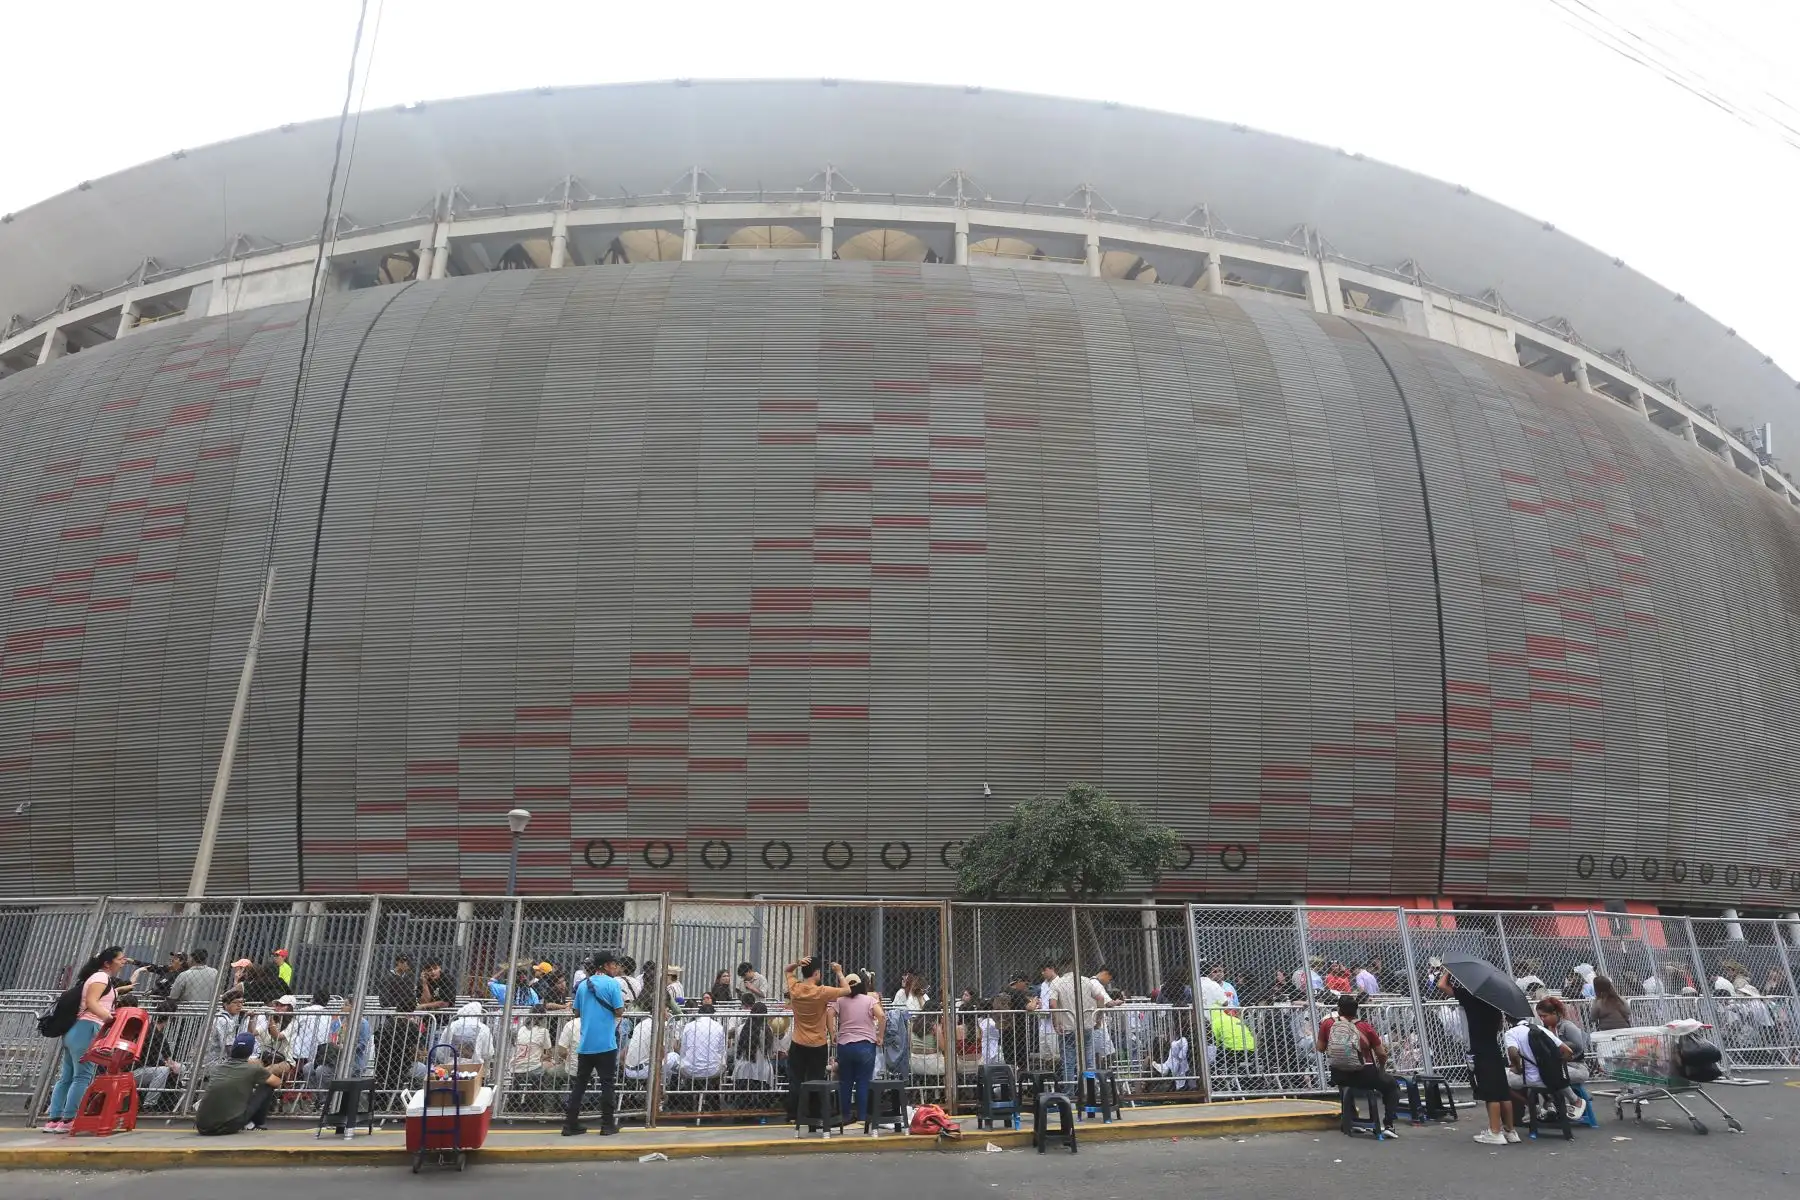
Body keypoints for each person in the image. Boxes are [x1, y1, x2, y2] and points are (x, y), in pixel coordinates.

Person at [42, 947, 128, 1134]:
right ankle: (69, 1119)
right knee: (82, 1076)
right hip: (87, 1028)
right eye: (121, 959)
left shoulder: (97, 978)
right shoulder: (101, 978)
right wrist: (109, 1017)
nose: (124, 961)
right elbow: (92, 1002)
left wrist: (119, 991)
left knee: (67, 1076)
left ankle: (55, 1119)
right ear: (107, 963)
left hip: (75, 1030)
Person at [1437, 966, 1515, 1145]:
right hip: (1493, 1048)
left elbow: (1442, 985)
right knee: (1503, 1091)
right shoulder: (1496, 1003)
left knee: (1490, 1093)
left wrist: (1449, 970)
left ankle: (1495, 1131)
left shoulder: (1471, 997)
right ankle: (1510, 1130)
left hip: (1479, 1048)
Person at [1317, 993, 1403, 1138]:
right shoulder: (1364, 1026)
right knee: (1391, 1085)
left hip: (1339, 1074)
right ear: (1357, 1010)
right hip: (1365, 1074)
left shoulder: (1328, 1024)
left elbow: (1320, 1048)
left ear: (1339, 1009)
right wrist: (1381, 1069)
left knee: (1345, 1088)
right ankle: (1389, 1124)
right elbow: (1381, 1054)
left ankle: (1352, 1120)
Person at [564, 948, 626, 1136]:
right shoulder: (612, 984)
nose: (615, 968)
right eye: (614, 964)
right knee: (607, 1083)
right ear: (606, 966)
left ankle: (570, 1124)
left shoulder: (583, 985)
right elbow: (619, 1010)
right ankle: (607, 1125)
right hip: (606, 1043)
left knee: (580, 1085)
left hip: (586, 1044)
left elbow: (576, 1012)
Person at [784, 957, 850, 1119]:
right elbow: (847, 990)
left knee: (796, 1079)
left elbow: (787, 970)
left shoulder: (794, 988)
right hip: (818, 1044)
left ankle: (793, 1114)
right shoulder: (822, 992)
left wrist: (798, 963)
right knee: (816, 1079)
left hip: (798, 1041)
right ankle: (814, 1114)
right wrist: (839, 972)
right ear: (816, 973)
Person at [1504, 998, 1588, 1121]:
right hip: (1558, 1066)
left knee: (1548, 1071)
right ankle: (1549, 1104)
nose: (1542, 1019)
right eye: (1540, 1016)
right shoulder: (1542, 1029)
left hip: (1576, 1065)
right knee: (1543, 1070)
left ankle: (1573, 1101)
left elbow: (1578, 1048)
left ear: (1555, 1013)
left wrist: (1555, 1056)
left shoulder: (1567, 1026)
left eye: (1545, 1016)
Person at [194, 1033, 289, 1134]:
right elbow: (277, 1082)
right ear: (250, 1051)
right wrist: (264, 1072)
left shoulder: (218, 1067)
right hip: (227, 1126)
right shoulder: (253, 1069)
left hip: (202, 1126)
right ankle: (255, 1124)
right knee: (267, 1085)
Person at [1048, 955, 1111, 1087]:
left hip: (1068, 1027)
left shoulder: (1057, 983)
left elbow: (1053, 1004)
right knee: (1089, 1060)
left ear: (1062, 967)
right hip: (1086, 1025)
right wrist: (1098, 1018)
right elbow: (1100, 998)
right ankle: (1091, 1089)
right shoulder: (1086, 981)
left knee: (1068, 1062)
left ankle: (1070, 1092)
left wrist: (1056, 1021)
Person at [832, 974, 884, 1128]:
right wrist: (879, 1036)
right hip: (866, 1045)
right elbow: (881, 1016)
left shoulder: (840, 1001)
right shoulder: (869, 1000)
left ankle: (845, 1116)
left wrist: (833, 1033)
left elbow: (829, 1014)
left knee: (845, 1082)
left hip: (845, 1045)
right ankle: (862, 1117)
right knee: (863, 1082)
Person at [375, 953, 418, 1091]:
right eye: (405, 963)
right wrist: (394, 1008)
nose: (407, 966)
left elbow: (411, 995)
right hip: (393, 1014)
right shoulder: (388, 977)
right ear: (399, 963)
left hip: (404, 1014)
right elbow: (385, 999)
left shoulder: (408, 978)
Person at [672, 994, 728, 1088]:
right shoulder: (718, 1026)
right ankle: (714, 1093)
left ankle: (688, 1093)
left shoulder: (689, 1026)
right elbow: (722, 1051)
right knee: (722, 1061)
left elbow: (683, 1050)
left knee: (680, 1061)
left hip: (690, 1069)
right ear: (713, 1014)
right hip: (712, 1070)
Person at [732, 1001, 779, 1091]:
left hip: (743, 1070)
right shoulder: (768, 1030)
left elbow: (737, 1047)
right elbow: (770, 1053)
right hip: (762, 1072)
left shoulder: (741, 1028)